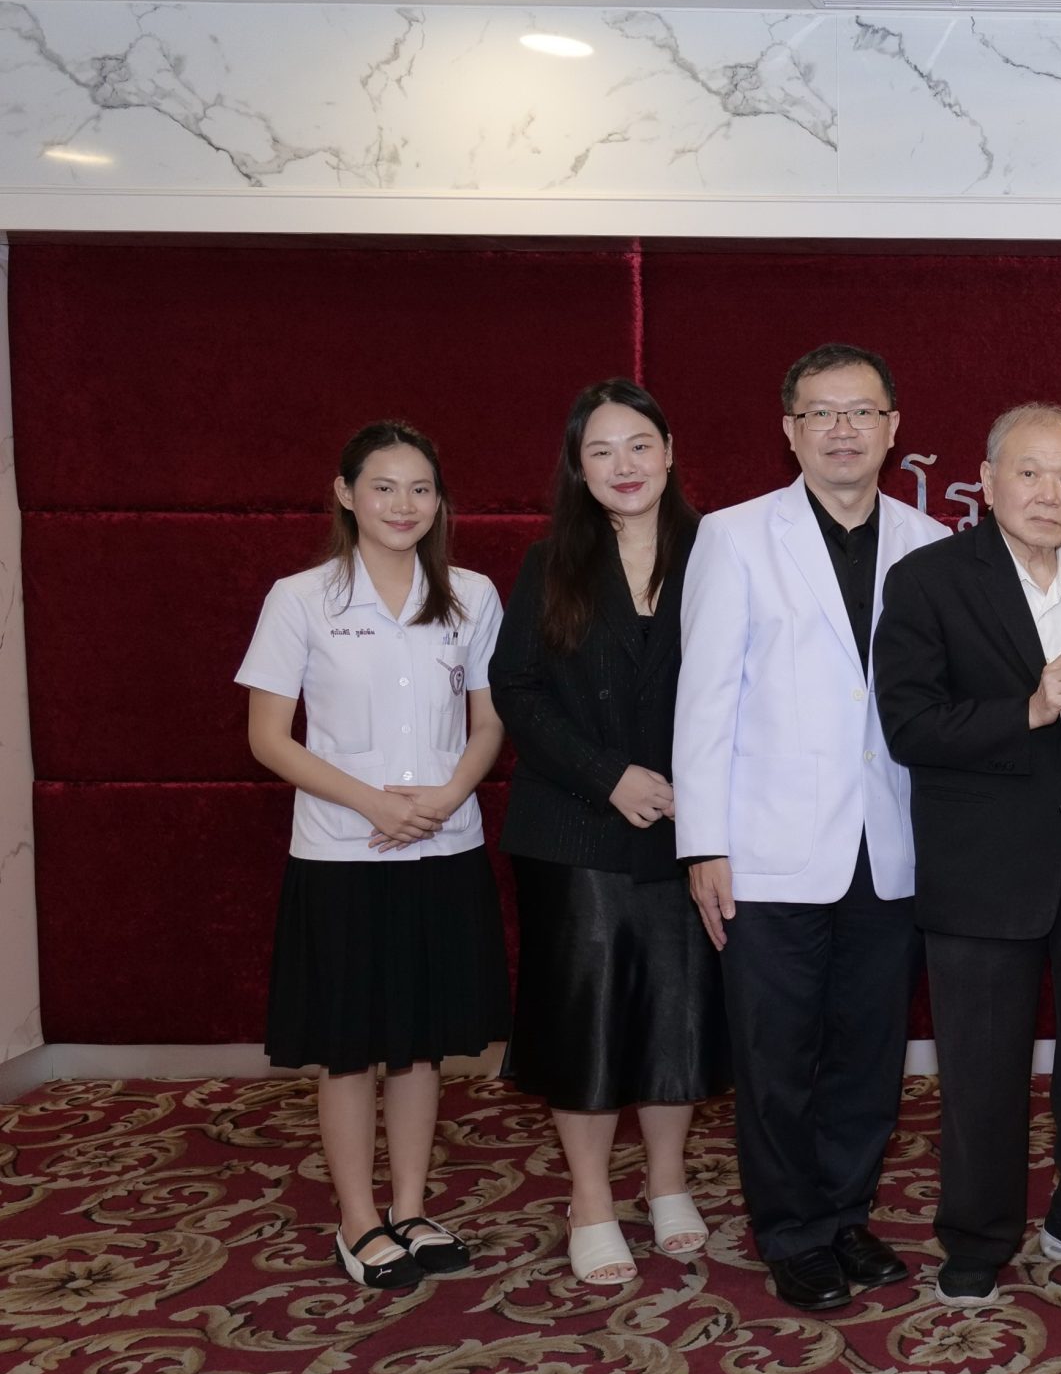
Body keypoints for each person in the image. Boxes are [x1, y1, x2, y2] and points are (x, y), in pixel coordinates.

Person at [876, 401, 1061, 1308]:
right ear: (987, 481)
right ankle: (976, 1236)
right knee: (981, 1071)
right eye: (1030, 472)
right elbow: (910, 724)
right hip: (982, 870)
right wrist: (1029, 709)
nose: (1049, 492)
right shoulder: (928, 580)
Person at [673, 342, 949, 1313]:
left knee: (867, 1054)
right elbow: (704, 699)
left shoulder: (931, 542)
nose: (842, 430)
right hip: (768, 848)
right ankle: (790, 1230)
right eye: (820, 413)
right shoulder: (734, 537)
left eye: (861, 411)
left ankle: (844, 1213)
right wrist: (703, 842)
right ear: (789, 429)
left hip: (891, 846)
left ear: (893, 428)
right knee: (778, 1054)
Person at [238, 420, 509, 1291]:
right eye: (384, 486)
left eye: (421, 488)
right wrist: (373, 804)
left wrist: (446, 795)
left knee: (423, 1043)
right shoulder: (301, 598)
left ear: (439, 501)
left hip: (444, 844)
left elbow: (491, 720)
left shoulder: (472, 595)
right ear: (345, 493)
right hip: (341, 854)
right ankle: (358, 1218)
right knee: (350, 1045)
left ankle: (413, 1205)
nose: (403, 504)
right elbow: (268, 737)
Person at [491, 379, 730, 1287]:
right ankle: (589, 1197)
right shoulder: (550, 561)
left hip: (689, 824)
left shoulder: (720, 552)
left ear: (669, 452)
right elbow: (517, 689)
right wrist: (608, 776)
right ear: (578, 468)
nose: (623, 465)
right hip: (575, 826)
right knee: (585, 1021)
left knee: (677, 1012)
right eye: (601, 451)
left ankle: (668, 1181)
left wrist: (697, 792)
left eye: (639, 445)